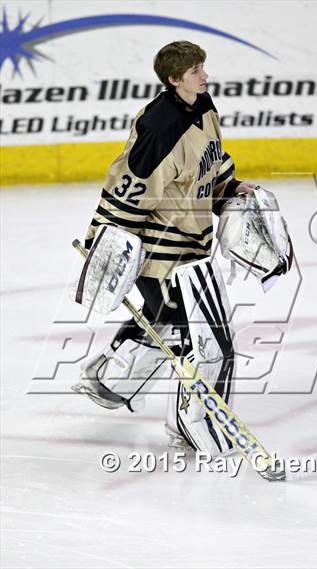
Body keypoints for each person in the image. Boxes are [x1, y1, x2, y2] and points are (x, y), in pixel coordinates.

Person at [75, 40, 255, 454]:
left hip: (191, 238)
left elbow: (209, 161)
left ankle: (107, 376)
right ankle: (188, 424)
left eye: (203, 67)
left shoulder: (203, 104)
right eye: (195, 71)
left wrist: (227, 186)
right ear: (174, 80)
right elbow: (129, 188)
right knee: (196, 334)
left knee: (174, 324)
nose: (204, 76)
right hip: (158, 245)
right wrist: (103, 242)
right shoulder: (160, 128)